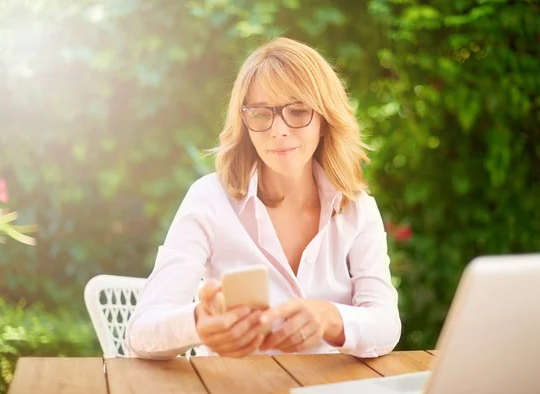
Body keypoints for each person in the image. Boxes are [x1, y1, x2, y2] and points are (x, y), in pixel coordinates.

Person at [125, 37, 401, 359]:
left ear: (325, 121)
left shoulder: (357, 208)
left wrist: (329, 318)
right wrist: (199, 323)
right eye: (260, 113)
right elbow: (141, 333)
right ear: (245, 123)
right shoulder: (210, 199)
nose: (278, 130)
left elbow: (386, 326)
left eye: (298, 111)